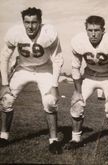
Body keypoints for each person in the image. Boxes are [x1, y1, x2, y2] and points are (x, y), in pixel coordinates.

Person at [0, 7, 64, 154]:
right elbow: (4, 57)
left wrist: (54, 85)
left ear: (40, 22)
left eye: (34, 22)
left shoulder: (49, 33)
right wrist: (4, 84)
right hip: (23, 69)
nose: (30, 26)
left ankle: (53, 141)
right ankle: (3, 136)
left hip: (44, 69)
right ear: (23, 22)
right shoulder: (15, 33)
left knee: (50, 101)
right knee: (6, 99)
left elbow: (58, 59)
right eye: (27, 22)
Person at [65, 15, 108, 157]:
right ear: (86, 30)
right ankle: (75, 139)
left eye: (97, 30)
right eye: (90, 30)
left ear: (103, 30)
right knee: (77, 104)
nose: (93, 33)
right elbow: (75, 68)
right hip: (90, 76)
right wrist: (77, 92)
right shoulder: (79, 42)